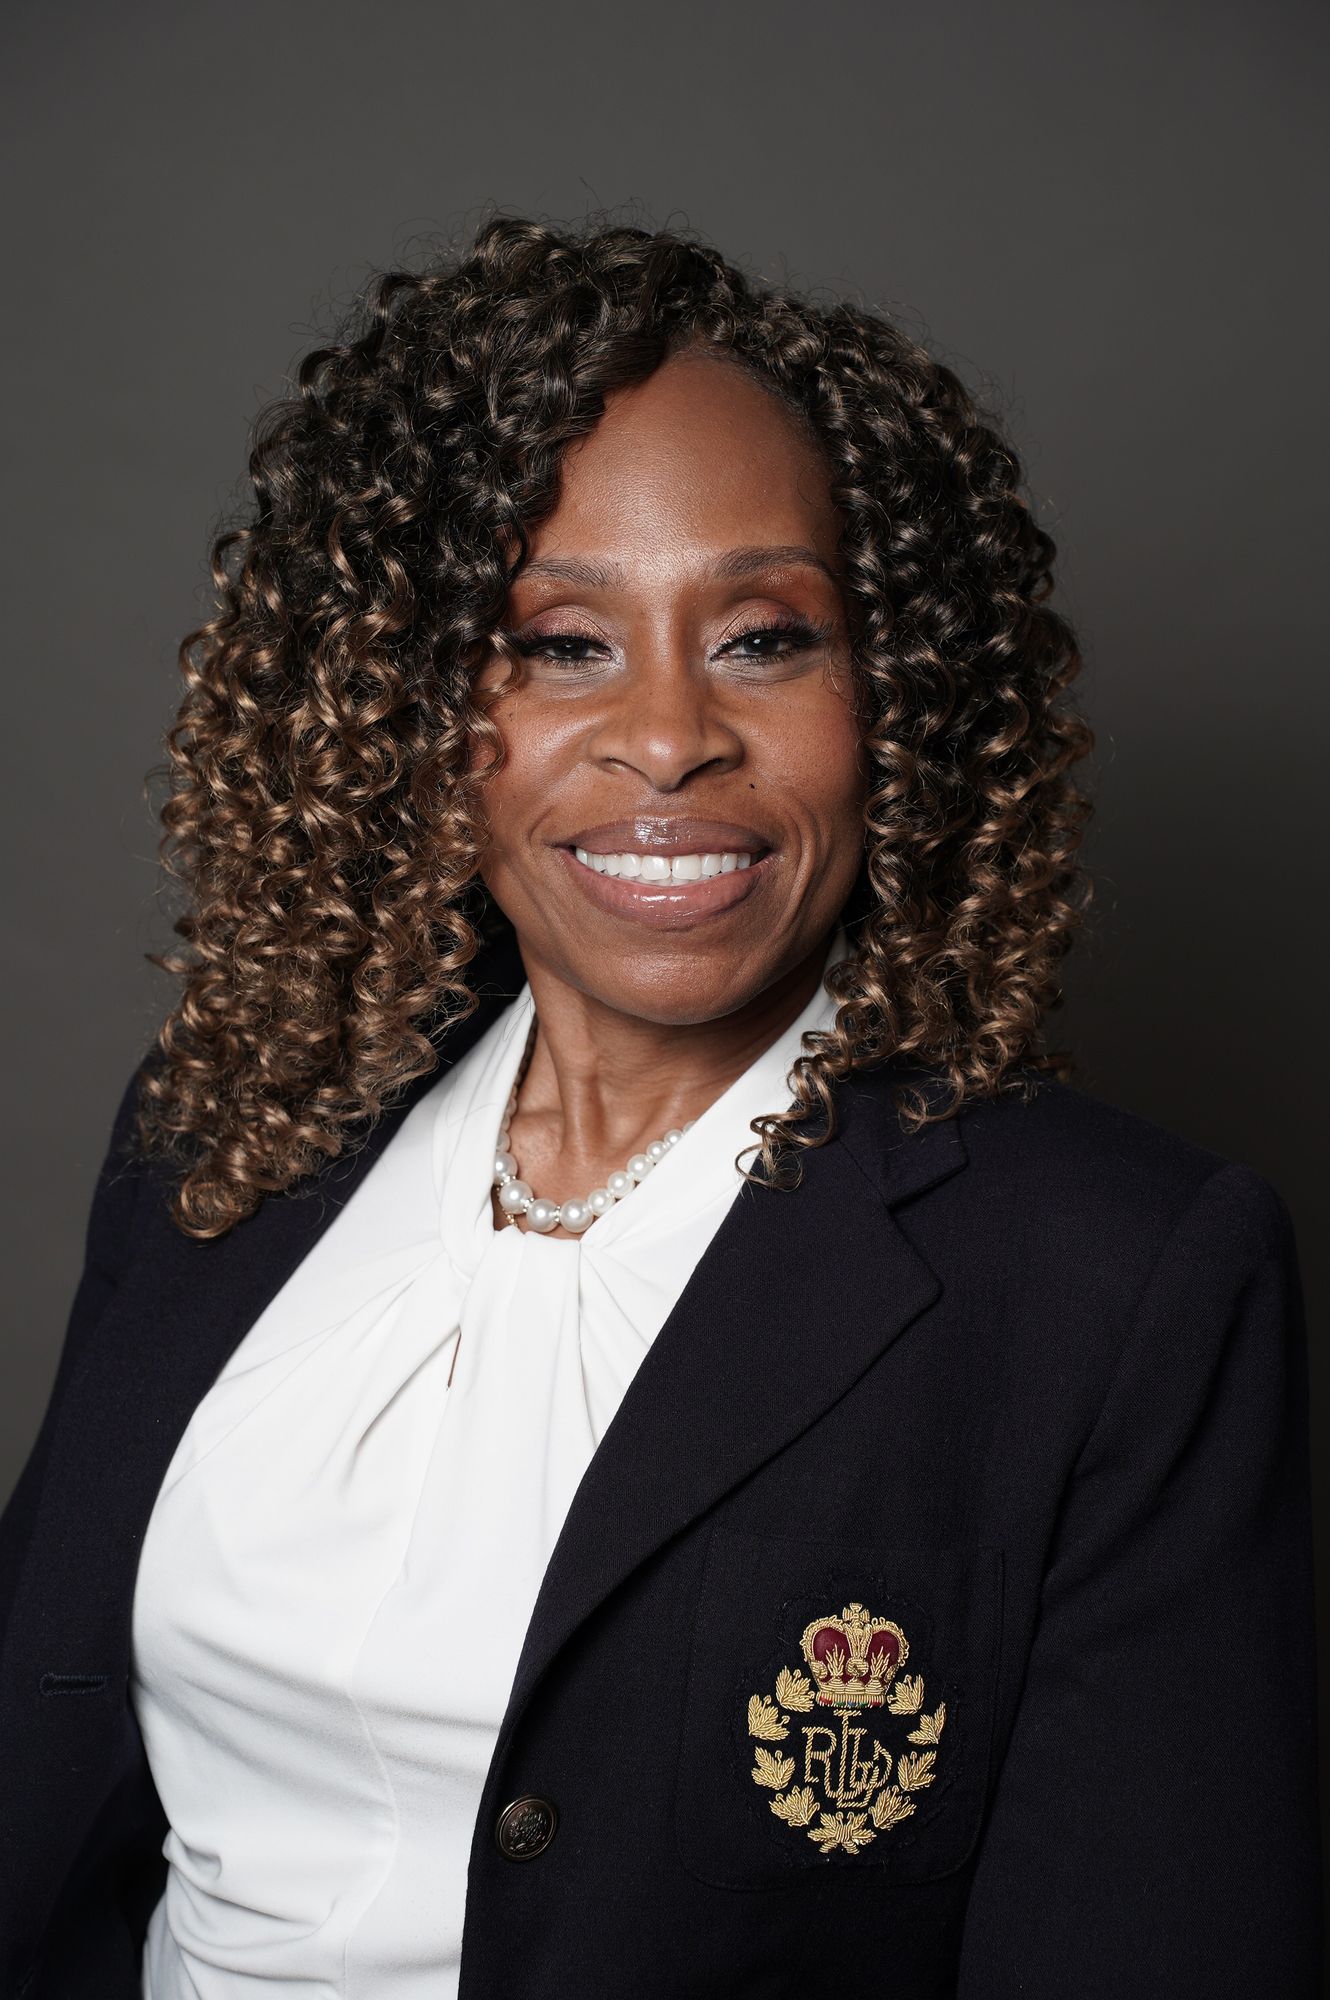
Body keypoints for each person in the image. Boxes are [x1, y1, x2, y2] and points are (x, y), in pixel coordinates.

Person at [0, 214, 1319, 2000]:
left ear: (894, 702)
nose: (669, 733)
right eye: (557, 645)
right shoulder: (230, 1130)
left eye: (766, 637)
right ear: (399, 704)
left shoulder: (1118, 1278)